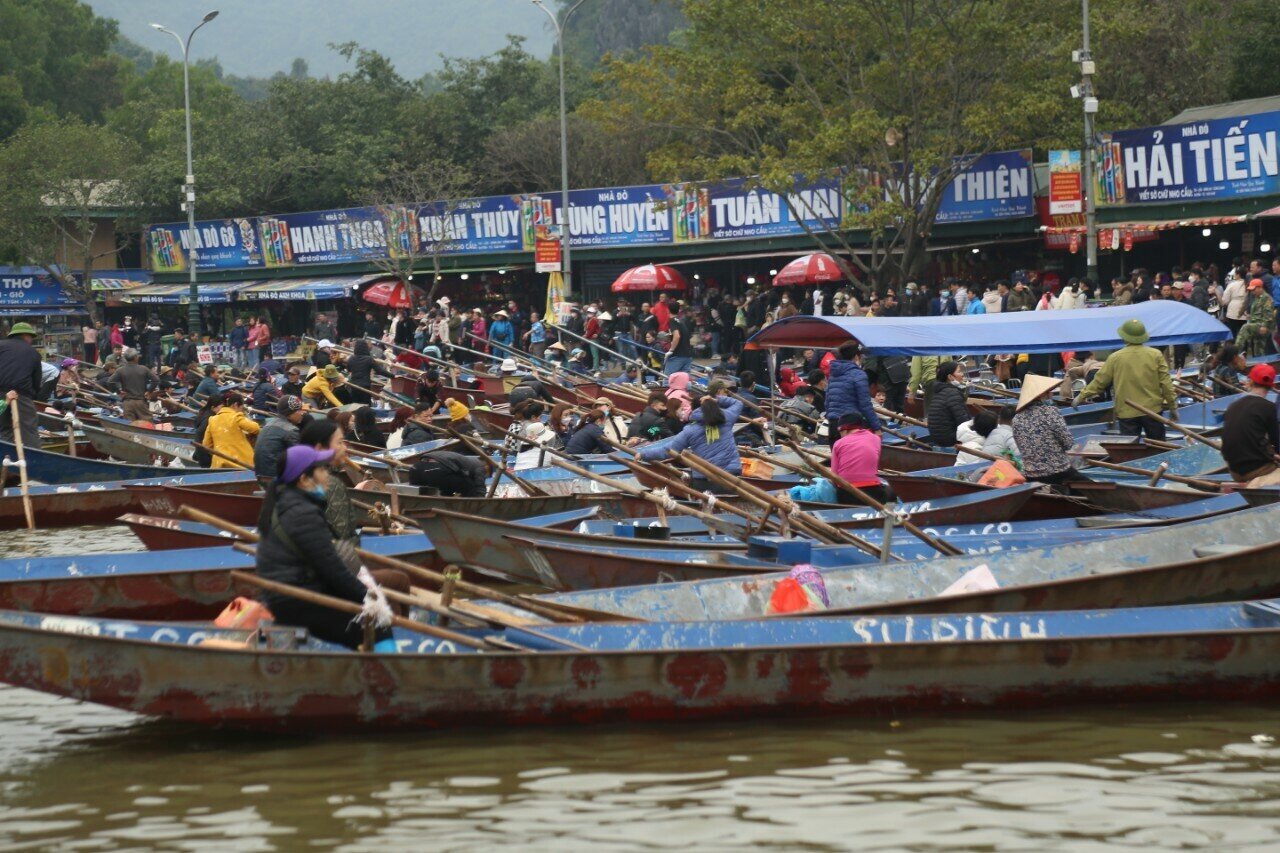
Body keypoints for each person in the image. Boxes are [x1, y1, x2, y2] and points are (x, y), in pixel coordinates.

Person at [254, 446, 399, 651]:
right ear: (304, 479)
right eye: (322, 470)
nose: (327, 476)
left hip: (290, 595)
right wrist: (368, 598)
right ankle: (387, 679)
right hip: (297, 600)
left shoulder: (284, 502)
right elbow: (331, 568)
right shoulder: (302, 513)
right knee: (379, 626)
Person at [1074, 319, 1177, 440]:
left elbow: (1099, 382)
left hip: (1127, 412)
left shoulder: (1115, 357)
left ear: (1124, 337)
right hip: (1152, 411)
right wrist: (1173, 406)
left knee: (1130, 450)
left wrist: (1081, 396)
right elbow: (1166, 384)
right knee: (1159, 448)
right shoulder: (1156, 355)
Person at [639, 392, 744, 491]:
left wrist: (643, 454)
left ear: (693, 409)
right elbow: (738, 403)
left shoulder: (690, 430)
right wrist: (717, 400)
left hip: (704, 480)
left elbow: (667, 451)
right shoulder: (726, 418)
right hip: (731, 476)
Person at [1012, 375, 1091, 492]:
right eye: (1048, 391)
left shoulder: (1016, 419)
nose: (1051, 393)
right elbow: (1068, 443)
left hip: (1031, 476)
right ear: (1042, 394)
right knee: (1095, 490)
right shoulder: (1050, 412)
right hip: (1058, 472)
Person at [1221, 364, 1280, 485]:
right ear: (1271, 386)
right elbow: (1277, 442)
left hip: (1233, 470)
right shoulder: (1269, 407)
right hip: (1256, 470)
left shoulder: (1233, 405)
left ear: (1250, 381)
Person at [829, 412, 893, 504]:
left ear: (845, 430)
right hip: (873, 492)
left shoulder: (838, 443)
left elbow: (834, 476)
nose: (840, 435)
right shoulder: (876, 439)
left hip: (847, 493)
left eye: (840, 432)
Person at [825, 341, 881, 446]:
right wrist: (876, 427)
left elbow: (827, 402)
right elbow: (865, 405)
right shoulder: (859, 375)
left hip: (833, 425)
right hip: (850, 426)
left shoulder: (833, 374)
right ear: (856, 357)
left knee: (837, 460)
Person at [0, 322, 42, 449]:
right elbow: (36, 381)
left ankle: (4, 461)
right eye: (31, 338)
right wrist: (32, 396)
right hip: (21, 394)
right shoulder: (33, 353)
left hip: (1, 393)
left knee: (3, 430)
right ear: (26, 336)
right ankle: (33, 463)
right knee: (28, 430)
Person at [255, 395, 306, 482]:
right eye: (299, 410)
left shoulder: (268, 425)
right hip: (277, 479)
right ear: (289, 414)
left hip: (260, 476)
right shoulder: (291, 430)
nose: (302, 413)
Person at [202, 392, 260, 469]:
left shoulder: (212, 420)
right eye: (241, 408)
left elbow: (206, 445)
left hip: (219, 464)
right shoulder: (236, 417)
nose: (241, 411)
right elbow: (255, 428)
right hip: (241, 464)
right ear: (235, 405)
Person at [926, 360, 970, 450]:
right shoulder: (952, 393)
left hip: (938, 437)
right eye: (959, 372)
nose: (962, 374)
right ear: (950, 376)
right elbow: (964, 422)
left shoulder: (939, 391)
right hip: (949, 438)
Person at [107, 348, 157, 422]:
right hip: (140, 402)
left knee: (130, 426)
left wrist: (119, 392)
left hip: (127, 403)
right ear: (135, 357)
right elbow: (156, 380)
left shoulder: (121, 370)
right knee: (148, 424)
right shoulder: (143, 369)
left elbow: (110, 382)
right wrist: (149, 391)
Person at [409, 450, 488, 497]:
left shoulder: (465, 461)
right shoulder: (480, 466)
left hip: (415, 468)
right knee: (470, 487)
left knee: (448, 485)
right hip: (436, 469)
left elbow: (448, 482)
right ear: (488, 465)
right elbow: (480, 486)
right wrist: (481, 500)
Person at [1237, 278, 1276, 357]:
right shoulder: (1257, 298)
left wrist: (1265, 326)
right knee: (1258, 348)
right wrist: (1250, 317)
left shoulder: (1267, 298)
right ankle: (1259, 362)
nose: (1252, 292)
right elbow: (1258, 313)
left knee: (1245, 328)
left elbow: (1269, 314)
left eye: (1254, 289)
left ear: (1260, 288)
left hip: (1263, 326)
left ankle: (1235, 351)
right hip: (1257, 325)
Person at [344, 339, 391, 406]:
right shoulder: (369, 359)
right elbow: (380, 371)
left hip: (354, 385)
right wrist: (393, 376)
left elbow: (349, 370)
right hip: (365, 385)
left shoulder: (351, 358)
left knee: (355, 405)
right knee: (365, 405)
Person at [664, 304, 694, 376]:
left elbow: (677, 336)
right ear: (678, 311)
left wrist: (671, 350)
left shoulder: (672, 321)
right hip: (687, 355)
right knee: (684, 382)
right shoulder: (681, 322)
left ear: (668, 310)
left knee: (668, 380)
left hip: (677, 356)